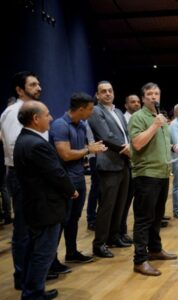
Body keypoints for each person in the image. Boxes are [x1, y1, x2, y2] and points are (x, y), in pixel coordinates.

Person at [14, 100, 77, 299]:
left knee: (34, 251)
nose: (50, 118)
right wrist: (70, 190)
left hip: (34, 206)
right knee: (43, 253)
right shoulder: (36, 144)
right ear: (35, 119)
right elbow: (56, 173)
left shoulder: (23, 139)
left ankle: (32, 289)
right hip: (45, 208)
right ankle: (33, 294)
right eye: (47, 114)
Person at [49, 92, 107, 265]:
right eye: (90, 109)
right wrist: (89, 150)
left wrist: (88, 150)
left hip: (79, 178)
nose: (92, 112)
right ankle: (52, 260)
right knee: (61, 220)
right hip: (64, 181)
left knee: (73, 219)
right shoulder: (60, 125)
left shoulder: (81, 125)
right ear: (81, 109)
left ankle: (72, 252)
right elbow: (65, 154)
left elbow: (81, 150)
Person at [0, 71, 43, 289]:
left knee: (35, 228)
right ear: (19, 90)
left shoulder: (31, 111)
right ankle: (21, 276)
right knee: (23, 229)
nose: (39, 88)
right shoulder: (13, 112)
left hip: (34, 175)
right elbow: (15, 147)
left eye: (38, 84)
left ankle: (33, 275)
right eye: (33, 84)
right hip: (22, 176)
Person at [129, 82, 177, 276]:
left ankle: (155, 249)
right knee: (143, 219)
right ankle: (139, 260)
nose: (154, 97)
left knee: (157, 216)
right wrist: (155, 125)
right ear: (143, 98)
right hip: (146, 175)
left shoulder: (161, 117)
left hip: (162, 173)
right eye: (150, 94)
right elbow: (138, 144)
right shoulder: (138, 117)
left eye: (157, 93)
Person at [88, 81, 131, 258]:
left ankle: (114, 237)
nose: (107, 94)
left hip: (123, 163)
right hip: (109, 164)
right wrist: (125, 148)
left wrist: (129, 146)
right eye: (103, 91)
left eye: (110, 91)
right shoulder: (96, 111)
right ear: (97, 95)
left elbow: (126, 133)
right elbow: (105, 136)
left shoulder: (118, 111)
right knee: (107, 206)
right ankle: (99, 244)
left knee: (120, 204)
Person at [120, 94, 142, 243]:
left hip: (138, 164)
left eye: (138, 102)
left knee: (133, 201)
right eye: (132, 102)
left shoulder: (139, 118)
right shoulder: (123, 118)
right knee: (123, 201)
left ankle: (125, 231)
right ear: (126, 105)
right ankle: (121, 231)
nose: (136, 104)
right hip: (125, 162)